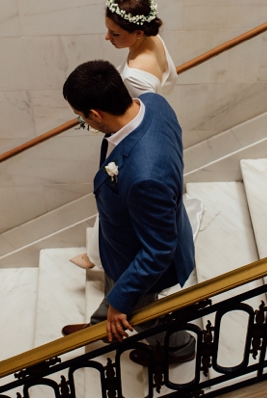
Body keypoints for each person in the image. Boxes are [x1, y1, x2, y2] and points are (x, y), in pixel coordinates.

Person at [60, 60, 197, 365]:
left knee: (141, 311)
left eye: (82, 116)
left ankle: (177, 347)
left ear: (96, 114)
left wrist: (123, 301)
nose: (84, 122)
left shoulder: (145, 175)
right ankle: (100, 327)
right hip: (122, 243)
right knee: (116, 289)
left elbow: (160, 249)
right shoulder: (153, 103)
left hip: (139, 256)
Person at [70, 0, 203, 270]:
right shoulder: (155, 40)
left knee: (113, 197)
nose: (107, 38)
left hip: (133, 136)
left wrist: (94, 123)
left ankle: (96, 256)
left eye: (115, 33)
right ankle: (95, 252)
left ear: (139, 32)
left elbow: (127, 112)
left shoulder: (135, 79)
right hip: (151, 120)